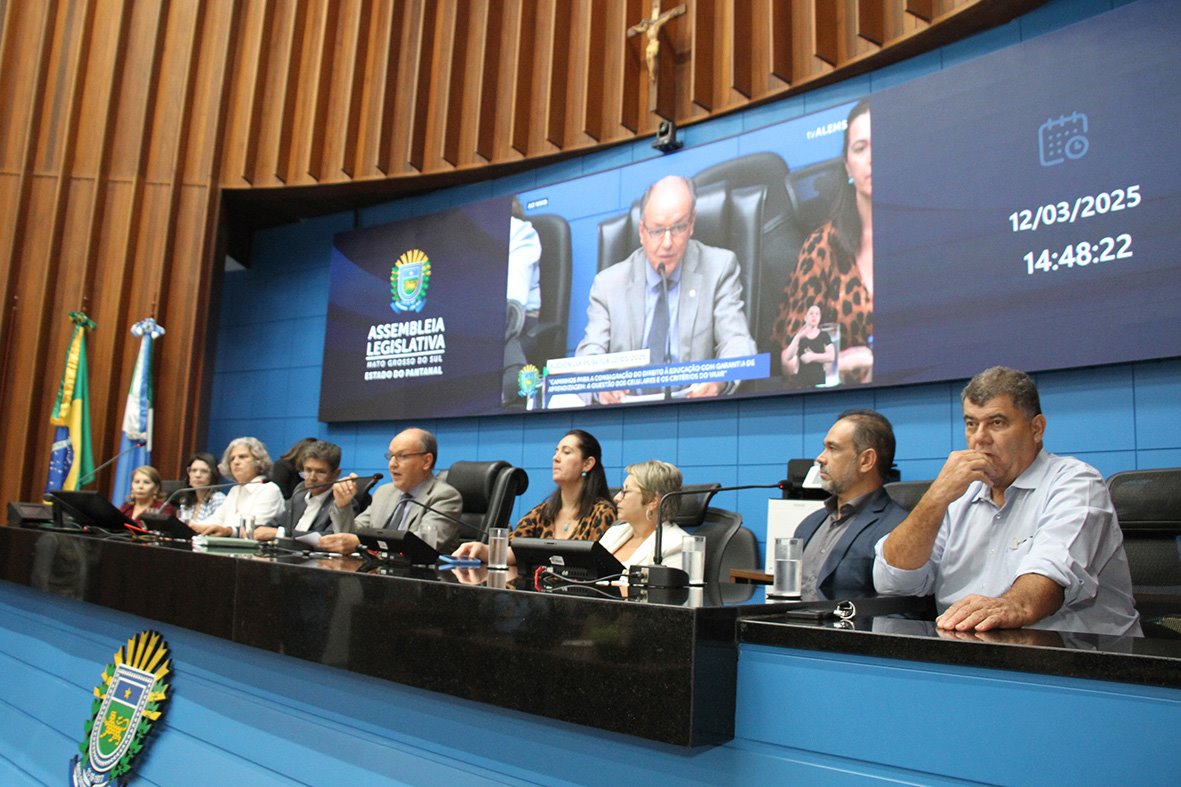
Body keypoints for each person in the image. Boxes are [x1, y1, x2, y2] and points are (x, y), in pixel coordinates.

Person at [873, 367, 1141, 636]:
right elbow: (893, 581)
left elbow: (1053, 573)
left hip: (1078, 652)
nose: (979, 438)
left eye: (997, 423)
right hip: (967, 648)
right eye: (971, 424)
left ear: (1036, 429)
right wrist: (935, 497)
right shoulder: (959, 495)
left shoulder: (1077, 483)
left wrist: (1011, 605)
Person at [575, 175, 757, 402]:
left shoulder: (719, 268)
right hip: (625, 412)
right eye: (657, 231)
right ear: (642, 231)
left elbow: (738, 343)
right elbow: (589, 355)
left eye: (678, 227)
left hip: (693, 408)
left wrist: (719, 379)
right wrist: (599, 385)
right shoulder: (608, 284)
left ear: (691, 224)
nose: (668, 242)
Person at [771, 98, 873, 385]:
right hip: (845, 400)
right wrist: (841, 363)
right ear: (848, 167)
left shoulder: (930, 237)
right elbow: (790, 360)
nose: (872, 158)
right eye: (860, 148)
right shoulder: (823, 246)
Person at [452, 429, 616, 565]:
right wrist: (484, 550)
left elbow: (598, 564)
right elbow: (514, 551)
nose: (556, 458)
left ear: (587, 464)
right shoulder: (543, 512)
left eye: (566, 452)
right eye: (556, 451)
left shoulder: (602, 512)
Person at [793, 410, 907, 597]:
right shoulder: (808, 525)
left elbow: (898, 608)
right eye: (824, 448)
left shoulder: (898, 529)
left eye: (833, 448)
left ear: (866, 461)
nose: (820, 458)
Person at [320, 428, 463, 554]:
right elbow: (351, 536)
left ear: (426, 461)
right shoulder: (384, 493)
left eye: (402, 456)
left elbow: (422, 546)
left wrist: (362, 543)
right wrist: (343, 506)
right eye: (391, 456)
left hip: (420, 574)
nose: (392, 464)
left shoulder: (445, 497)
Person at [598, 460, 689, 570]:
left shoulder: (677, 544)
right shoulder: (613, 533)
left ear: (653, 500)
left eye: (625, 491)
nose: (616, 498)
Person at [191, 437, 285, 537]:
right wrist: (192, 526)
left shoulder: (269, 490)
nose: (236, 462)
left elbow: (251, 528)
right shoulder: (235, 490)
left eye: (242, 457)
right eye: (232, 459)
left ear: (258, 461)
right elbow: (217, 519)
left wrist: (226, 530)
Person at [252, 440, 347, 540]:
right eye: (308, 470)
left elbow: (330, 538)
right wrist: (258, 530)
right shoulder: (300, 492)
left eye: (320, 472)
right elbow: (275, 523)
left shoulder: (342, 502)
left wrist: (280, 533)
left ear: (335, 474)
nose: (312, 478)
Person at [781, 304, 834, 387]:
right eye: (811, 313)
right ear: (805, 317)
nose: (814, 316)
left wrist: (812, 357)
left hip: (819, 382)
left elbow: (831, 356)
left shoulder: (824, 335)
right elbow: (788, 357)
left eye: (817, 314)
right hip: (801, 383)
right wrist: (798, 337)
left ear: (820, 318)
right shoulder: (799, 336)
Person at [174, 452, 226, 524]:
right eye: (194, 470)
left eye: (204, 471)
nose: (197, 475)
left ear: (212, 476)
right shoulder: (187, 500)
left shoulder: (218, 499)